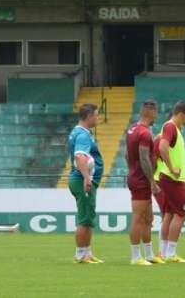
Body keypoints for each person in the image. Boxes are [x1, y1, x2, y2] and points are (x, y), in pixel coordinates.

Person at [154, 101, 185, 263]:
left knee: (169, 214)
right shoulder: (170, 127)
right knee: (181, 214)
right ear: (182, 114)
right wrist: (172, 168)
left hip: (172, 178)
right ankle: (170, 253)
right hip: (171, 178)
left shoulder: (174, 129)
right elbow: (163, 147)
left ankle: (163, 252)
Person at [125, 100, 162, 266]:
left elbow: (127, 155)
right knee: (139, 218)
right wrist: (152, 181)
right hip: (141, 180)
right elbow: (144, 158)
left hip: (137, 177)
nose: (157, 116)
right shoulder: (144, 133)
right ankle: (135, 256)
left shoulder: (132, 129)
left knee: (148, 218)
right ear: (151, 112)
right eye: (156, 112)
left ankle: (148, 254)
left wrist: (132, 170)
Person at [68, 103, 104, 264]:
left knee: (88, 218)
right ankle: (80, 254)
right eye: (96, 115)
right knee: (85, 218)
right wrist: (87, 178)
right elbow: (80, 157)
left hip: (80, 179)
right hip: (82, 180)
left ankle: (87, 253)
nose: (97, 118)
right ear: (89, 116)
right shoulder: (83, 135)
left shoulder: (77, 132)